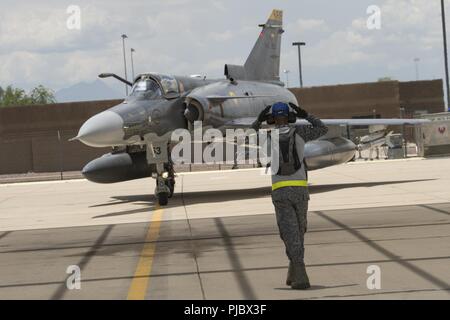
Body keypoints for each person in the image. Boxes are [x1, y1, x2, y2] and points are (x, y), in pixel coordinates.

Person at [252, 101, 328, 289]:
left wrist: (258, 120)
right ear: (291, 117)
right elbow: (322, 128)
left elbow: (248, 136)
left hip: (280, 192)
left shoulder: (267, 138)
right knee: (299, 232)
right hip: (301, 191)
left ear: (271, 120)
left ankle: (300, 276)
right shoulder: (301, 133)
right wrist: (305, 114)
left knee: (289, 233)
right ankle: (293, 271)